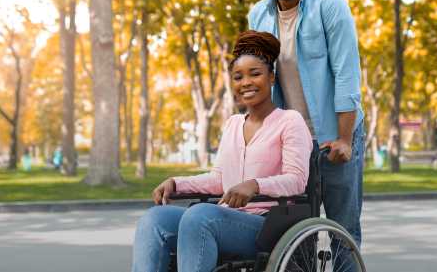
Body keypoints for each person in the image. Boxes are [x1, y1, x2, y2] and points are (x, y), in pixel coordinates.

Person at [132, 31, 312, 272]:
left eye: (255, 74)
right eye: (238, 77)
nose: (245, 82)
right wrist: (176, 183)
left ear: (271, 78)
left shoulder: (290, 121)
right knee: (153, 220)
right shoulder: (232, 124)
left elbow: (297, 180)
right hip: (220, 220)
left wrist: (254, 185)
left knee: (199, 215)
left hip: (266, 226)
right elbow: (218, 179)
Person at [248, 0, 365, 262]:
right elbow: (259, 82)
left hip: (335, 135)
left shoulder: (330, 5)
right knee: (294, 234)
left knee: (342, 230)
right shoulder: (258, 15)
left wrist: (343, 139)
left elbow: (346, 75)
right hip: (293, 143)